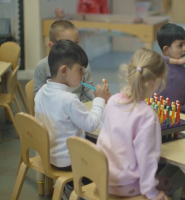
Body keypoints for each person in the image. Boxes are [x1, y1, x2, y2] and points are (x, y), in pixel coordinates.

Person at [34, 40, 109, 195]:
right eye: (80, 70)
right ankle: (79, 191)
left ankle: (71, 187)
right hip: (67, 161)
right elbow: (91, 124)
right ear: (64, 71)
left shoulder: (42, 91)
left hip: (48, 155)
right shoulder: (69, 99)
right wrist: (100, 100)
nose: (83, 74)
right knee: (106, 152)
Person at [97, 48, 172, 200]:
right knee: (168, 182)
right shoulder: (146, 115)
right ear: (155, 82)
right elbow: (147, 159)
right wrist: (152, 194)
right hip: (127, 186)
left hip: (102, 179)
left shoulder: (111, 101)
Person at [34, 20, 107, 102]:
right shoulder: (42, 66)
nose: (74, 48)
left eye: (76, 42)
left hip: (79, 106)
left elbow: (88, 88)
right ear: (52, 46)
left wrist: (98, 95)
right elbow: (38, 97)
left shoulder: (82, 64)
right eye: (67, 44)